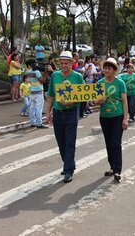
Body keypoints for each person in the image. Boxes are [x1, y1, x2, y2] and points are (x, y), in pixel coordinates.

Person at [46, 51, 84, 183]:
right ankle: (69, 163)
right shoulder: (55, 76)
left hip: (71, 112)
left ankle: (68, 170)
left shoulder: (78, 77)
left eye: (66, 63)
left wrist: (72, 102)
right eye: (61, 63)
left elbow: (83, 95)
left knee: (69, 142)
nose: (63, 65)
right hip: (57, 112)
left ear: (71, 63)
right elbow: (50, 95)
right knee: (60, 141)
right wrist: (47, 112)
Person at [95, 58, 128, 182]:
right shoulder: (99, 83)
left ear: (114, 70)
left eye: (110, 68)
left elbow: (124, 102)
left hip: (117, 116)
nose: (107, 70)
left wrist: (125, 119)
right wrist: (99, 101)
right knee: (108, 143)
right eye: (105, 68)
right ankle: (112, 167)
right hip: (104, 117)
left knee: (116, 143)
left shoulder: (120, 83)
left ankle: (118, 170)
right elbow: (94, 102)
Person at [25, 59, 47, 129]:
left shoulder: (28, 72)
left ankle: (32, 122)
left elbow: (36, 78)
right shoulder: (37, 72)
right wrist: (46, 74)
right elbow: (42, 81)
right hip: (39, 92)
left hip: (32, 92)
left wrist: (43, 74)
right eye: (35, 63)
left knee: (32, 108)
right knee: (39, 109)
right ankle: (39, 123)